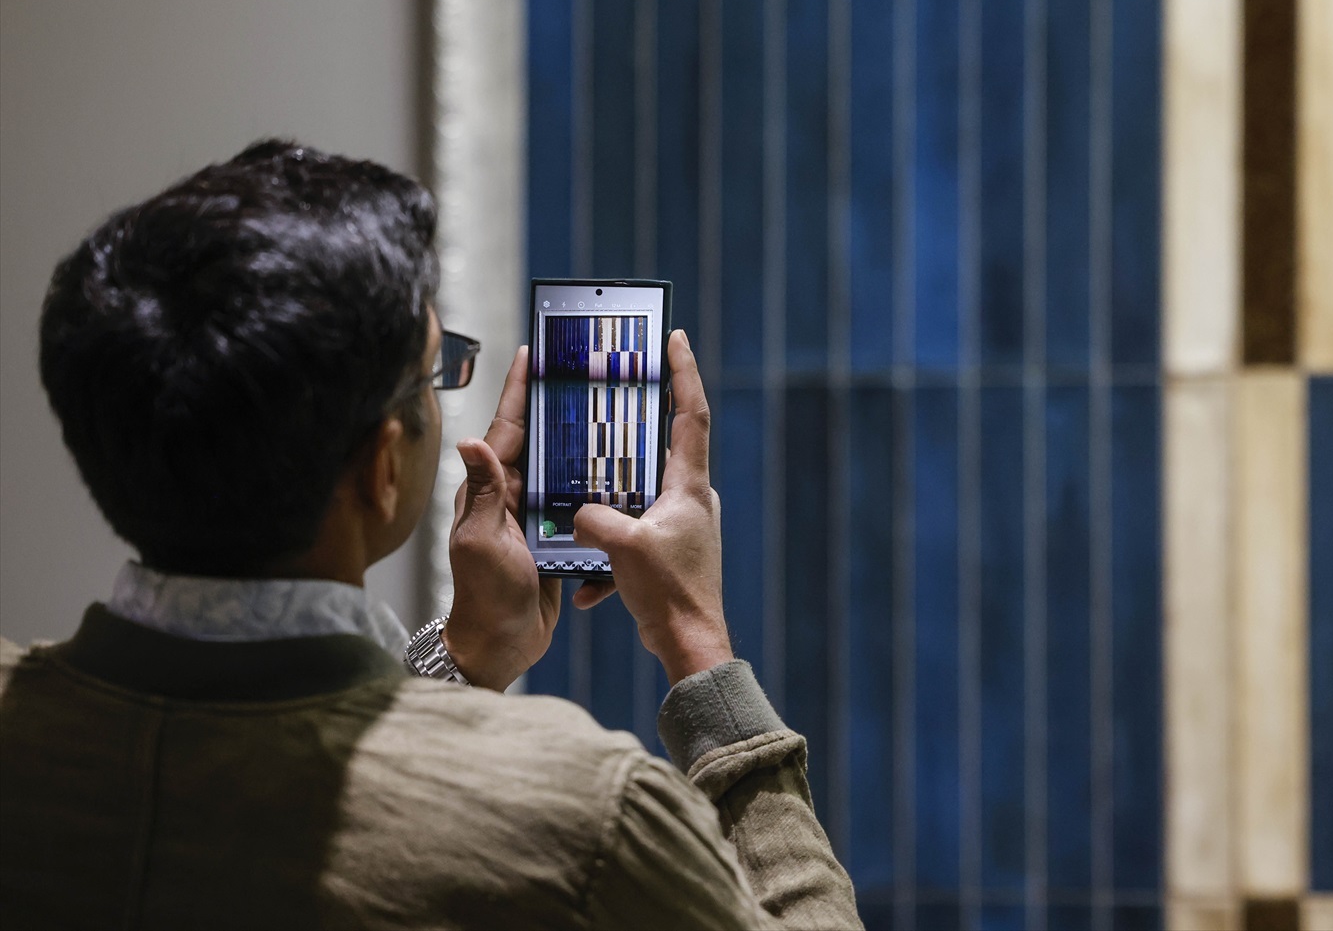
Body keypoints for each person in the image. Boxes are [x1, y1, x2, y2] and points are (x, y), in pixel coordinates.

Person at [0, 140, 858, 929]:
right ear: (383, 466)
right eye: (437, 370)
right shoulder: (583, 818)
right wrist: (694, 638)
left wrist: (466, 654)